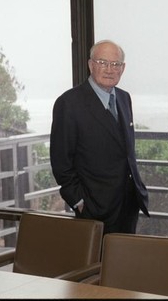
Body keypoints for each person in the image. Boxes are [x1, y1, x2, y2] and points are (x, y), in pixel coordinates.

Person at [50, 40, 149, 235]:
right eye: (103, 62)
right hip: (94, 209)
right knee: (98, 265)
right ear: (90, 64)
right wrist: (79, 202)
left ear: (123, 68)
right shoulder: (69, 103)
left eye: (116, 64)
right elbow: (61, 162)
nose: (110, 69)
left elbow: (124, 151)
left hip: (128, 204)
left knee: (124, 264)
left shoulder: (124, 98)